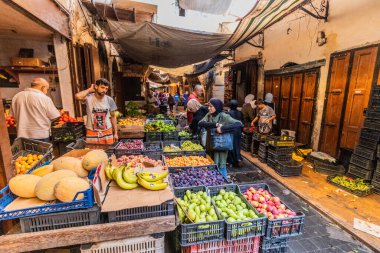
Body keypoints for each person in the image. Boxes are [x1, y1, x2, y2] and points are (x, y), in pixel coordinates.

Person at [199, 98, 243, 177]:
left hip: (221, 145)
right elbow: (200, 123)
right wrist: (215, 125)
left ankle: (222, 182)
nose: (209, 108)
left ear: (217, 107)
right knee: (210, 164)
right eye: (208, 106)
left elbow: (239, 124)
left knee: (221, 165)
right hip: (210, 144)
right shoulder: (209, 115)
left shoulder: (224, 116)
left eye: (211, 106)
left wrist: (222, 129)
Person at [11, 78, 60, 142]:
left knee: (27, 152)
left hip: (22, 135)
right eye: (47, 89)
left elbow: (13, 115)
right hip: (40, 135)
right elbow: (54, 116)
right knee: (42, 152)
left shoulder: (17, 96)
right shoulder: (44, 98)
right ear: (43, 87)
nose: (46, 92)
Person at [75, 78, 118, 144]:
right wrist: (89, 90)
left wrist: (115, 133)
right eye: (102, 87)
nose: (104, 90)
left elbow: (113, 117)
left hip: (107, 132)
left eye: (106, 89)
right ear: (96, 86)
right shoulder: (88, 98)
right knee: (93, 153)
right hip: (92, 132)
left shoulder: (109, 100)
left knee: (108, 153)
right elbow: (77, 96)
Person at [227, 99, 243, 167]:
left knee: (231, 145)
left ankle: (232, 160)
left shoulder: (229, 113)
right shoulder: (240, 113)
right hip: (238, 130)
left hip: (231, 130)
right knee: (237, 145)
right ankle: (238, 158)